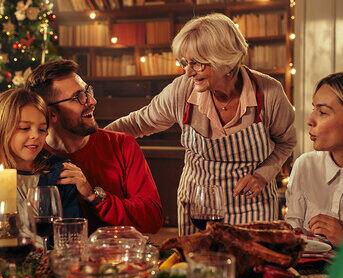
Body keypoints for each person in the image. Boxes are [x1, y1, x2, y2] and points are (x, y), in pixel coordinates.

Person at [105, 13, 296, 236]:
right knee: (197, 268)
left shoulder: (269, 92)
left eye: (197, 63)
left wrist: (262, 175)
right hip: (198, 205)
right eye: (186, 62)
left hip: (253, 205)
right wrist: (92, 139)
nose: (187, 71)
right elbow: (138, 123)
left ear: (224, 61)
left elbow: (287, 142)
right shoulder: (182, 90)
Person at [25, 59, 163, 234]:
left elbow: (152, 219)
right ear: (51, 113)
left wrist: (94, 196)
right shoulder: (32, 155)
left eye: (87, 91)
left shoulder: (122, 145)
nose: (92, 101)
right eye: (79, 97)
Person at [0, 87, 83, 232]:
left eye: (42, 129)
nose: (35, 136)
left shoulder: (59, 172)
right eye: (25, 128)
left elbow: (72, 233)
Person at [286, 72, 343, 247]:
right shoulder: (305, 166)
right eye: (314, 109)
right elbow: (291, 235)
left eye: (323, 112)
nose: (310, 120)